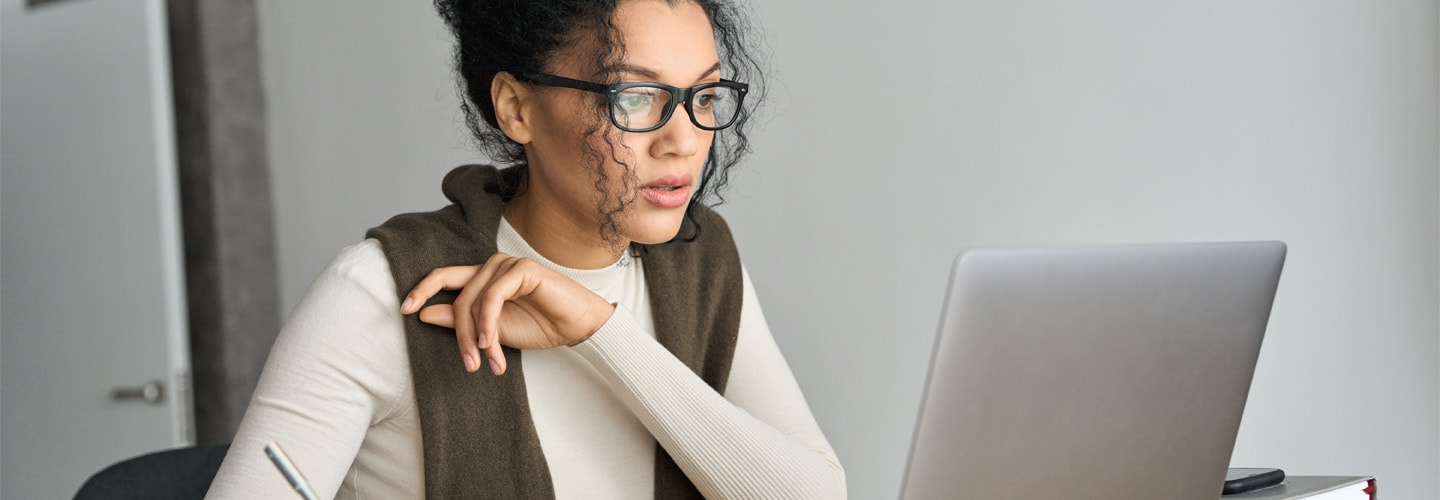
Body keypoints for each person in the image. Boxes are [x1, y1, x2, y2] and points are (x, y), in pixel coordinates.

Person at [207, 0, 846, 498]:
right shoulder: (383, 290)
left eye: (704, 95)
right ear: (517, 108)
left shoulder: (700, 259)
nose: (683, 140)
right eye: (635, 98)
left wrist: (600, 331)